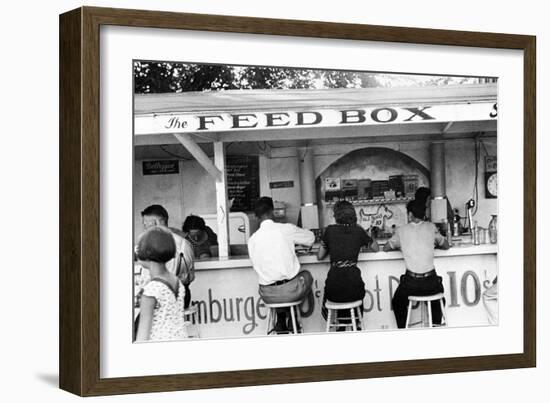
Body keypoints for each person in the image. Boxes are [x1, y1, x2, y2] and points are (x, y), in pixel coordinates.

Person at [247, 197, 315, 334]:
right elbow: (311, 238)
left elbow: (256, 264)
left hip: (267, 294)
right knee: (306, 275)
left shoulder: (252, 239)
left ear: (256, 216)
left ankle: (281, 318)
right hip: (291, 291)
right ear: (272, 211)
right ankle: (292, 316)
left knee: (275, 278)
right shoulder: (286, 229)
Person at [384, 199, 450, 328]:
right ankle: (435, 325)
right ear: (423, 214)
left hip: (411, 283)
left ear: (409, 214)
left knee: (397, 301)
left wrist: (401, 245)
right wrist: (434, 244)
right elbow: (446, 245)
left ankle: (403, 330)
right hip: (431, 282)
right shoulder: (431, 227)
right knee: (439, 299)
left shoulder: (401, 230)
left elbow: (386, 247)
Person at [317, 201, 379, 326]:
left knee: (336, 288)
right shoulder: (358, 231)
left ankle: (340, 326)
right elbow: (376, 248)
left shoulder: (329, 231)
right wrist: (369, 235)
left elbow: (320, 256)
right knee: (352, 289)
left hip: (333, 291)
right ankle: (356, 323)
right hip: (354, 289)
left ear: (336, 215)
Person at [135, 227, 188, 341]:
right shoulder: (177, 282)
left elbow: (143, 334)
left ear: (147, 252)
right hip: (180, 339)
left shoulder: (151, 290)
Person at [139, 204, 195, 308]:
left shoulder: (153, 244)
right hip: (183, 295)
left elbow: (150, 279)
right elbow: (190, 274)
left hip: (161, 297)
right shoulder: (184, 243)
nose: (144, 228)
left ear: (155, 223)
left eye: (145, 224)